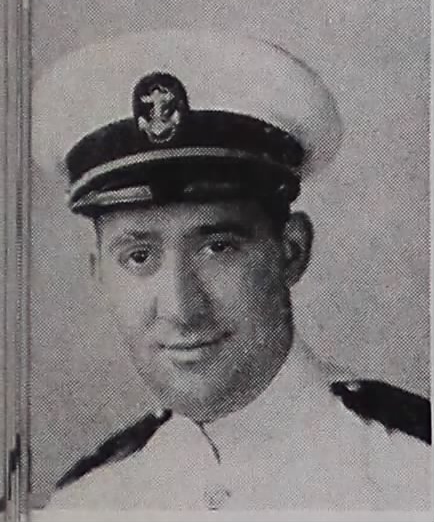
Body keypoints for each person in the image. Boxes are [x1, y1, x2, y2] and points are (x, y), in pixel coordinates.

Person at [34, 30, 430, 511]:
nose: (182, 308)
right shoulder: (82, 505)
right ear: (99, 276)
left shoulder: (412, 476)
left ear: (291, 251)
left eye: (218, 247)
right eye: (139, 257)